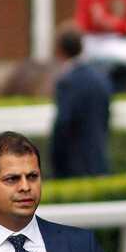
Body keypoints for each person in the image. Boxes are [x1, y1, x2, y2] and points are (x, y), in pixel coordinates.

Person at [49, 22, 113, 179]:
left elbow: (63, 123)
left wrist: (54, 159)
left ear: (59, 49)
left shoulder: (67, 81)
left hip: (73, 165)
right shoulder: (101, 77)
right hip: (100, 159)